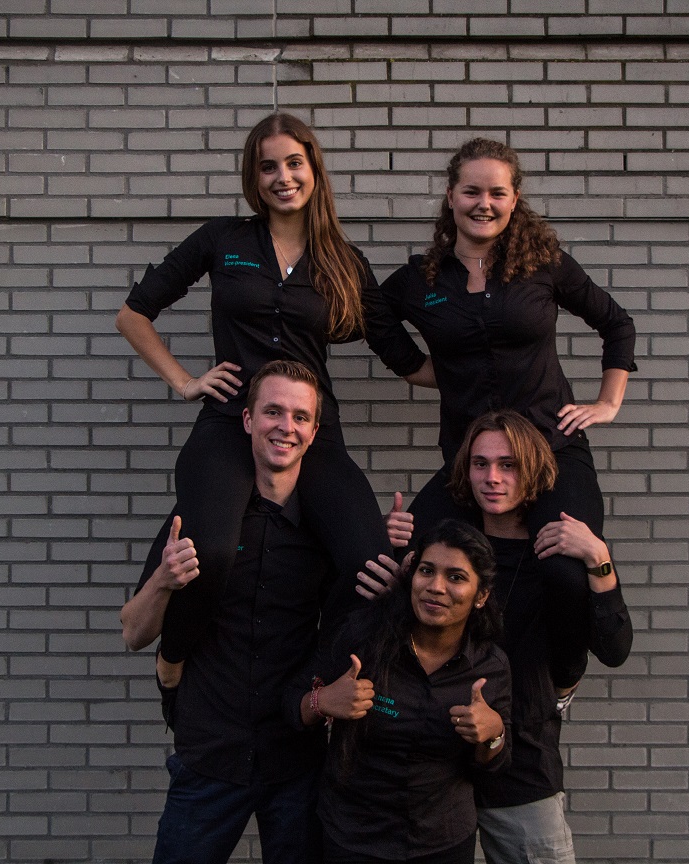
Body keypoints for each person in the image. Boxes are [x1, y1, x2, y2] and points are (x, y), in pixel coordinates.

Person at [116, 113, 406, 692]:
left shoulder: (344, 261)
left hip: (310, 433)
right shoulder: (222, 239)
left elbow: (401, 354)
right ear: (254, 177)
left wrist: (483, 368)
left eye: (294, 163)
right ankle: (174, 656)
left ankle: (320, 685)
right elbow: (133, 315)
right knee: (211, 551)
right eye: (267, 166)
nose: (282, 177)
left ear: (314, 169)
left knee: (372, 567)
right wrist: (185, 381)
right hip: (229, 423)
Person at [364, 137, 637, 690]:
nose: (483, 204)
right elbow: (373, 318)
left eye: (496, 192)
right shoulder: (421, 279)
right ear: (450, 197)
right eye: (471, 192)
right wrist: (422, 370)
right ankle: (419, 686)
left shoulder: (544, 266)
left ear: (514, 199)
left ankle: (562, 682)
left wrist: (608, 403)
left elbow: (616, 323)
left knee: (564, 571)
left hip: (553, 452)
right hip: (472, 464)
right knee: (402, 562)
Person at [120, 360, 354, 864]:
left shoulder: (328, 532)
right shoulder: (202, 520)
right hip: (209, 756)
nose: (285, 427)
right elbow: (133, 632)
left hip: (294, 760)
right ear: (247, 420)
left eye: (299, 416)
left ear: (314, 432)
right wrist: (163, 580)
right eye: (272, 412)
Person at [381, 410, 632, 864]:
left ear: (532, 468)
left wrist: (598, 556)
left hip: (523, 762)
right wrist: (394, 559)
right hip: (436, 765)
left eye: (508, 465)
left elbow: (615, 649)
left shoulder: (556, 557)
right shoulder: (444, 551)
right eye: (481, 464)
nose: (492, 478)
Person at [292, 519, 513, 864]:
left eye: (456, 577)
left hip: (442, 842)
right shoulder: (361, 639)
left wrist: (493, 733)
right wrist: (322, 701)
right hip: (353, 839)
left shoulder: (490, 666)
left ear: (481, 595)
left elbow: (495, 765)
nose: (435, 587)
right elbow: (291, 704)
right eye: (427, 571)